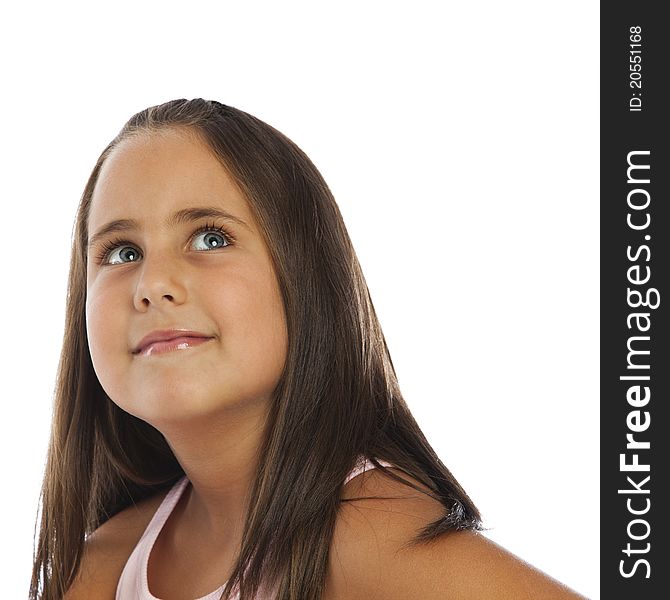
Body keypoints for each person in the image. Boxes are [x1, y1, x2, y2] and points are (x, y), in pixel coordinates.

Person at [30, 98, 587, 600]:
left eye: (210, 238)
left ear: (306, 279)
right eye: (122, 251)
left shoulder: (364, 536)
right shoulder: (103, 563)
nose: (153, 283)